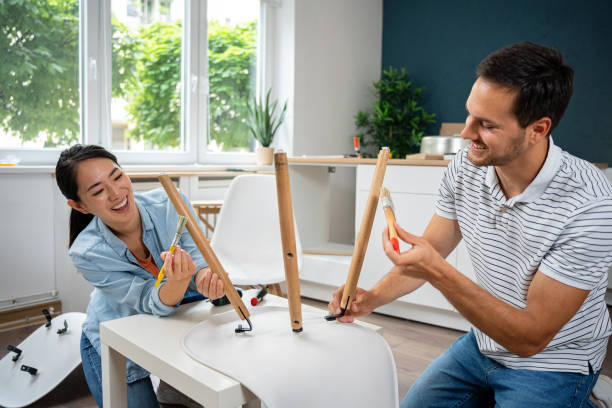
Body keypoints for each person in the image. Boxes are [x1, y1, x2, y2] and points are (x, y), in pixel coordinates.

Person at [329, 42, 612, 407]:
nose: (465, 134)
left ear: (538, 129)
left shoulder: (591, 204)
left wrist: (435, 267)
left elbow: (531, 338)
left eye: (487, 125)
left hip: (552, 361)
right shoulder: (466, 167)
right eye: (469, 116)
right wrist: (369, 299)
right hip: (482, 344)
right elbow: (429, 253)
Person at [55, 144, 225, 407]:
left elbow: (199, 259)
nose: (116, 193)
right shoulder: (86, 253)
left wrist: (205, 279)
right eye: (98, 191)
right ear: (78, 206)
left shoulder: (171, 202)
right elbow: (148, 299)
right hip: (117, 338)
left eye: (117, 176)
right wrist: (177, 282)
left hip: (169, 326)